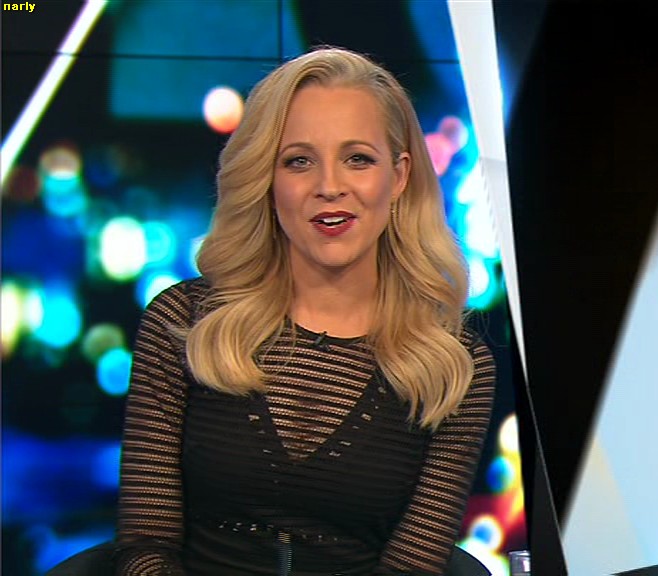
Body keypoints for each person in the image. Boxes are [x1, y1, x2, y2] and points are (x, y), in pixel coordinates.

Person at [114, 46, 496, 576]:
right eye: (298, 161)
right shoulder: (183, 323)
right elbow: (145, 545)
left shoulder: (453, 366)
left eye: (358, 159)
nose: (329, 187)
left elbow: (411, 568)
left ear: (399, 176)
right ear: (267, 180)